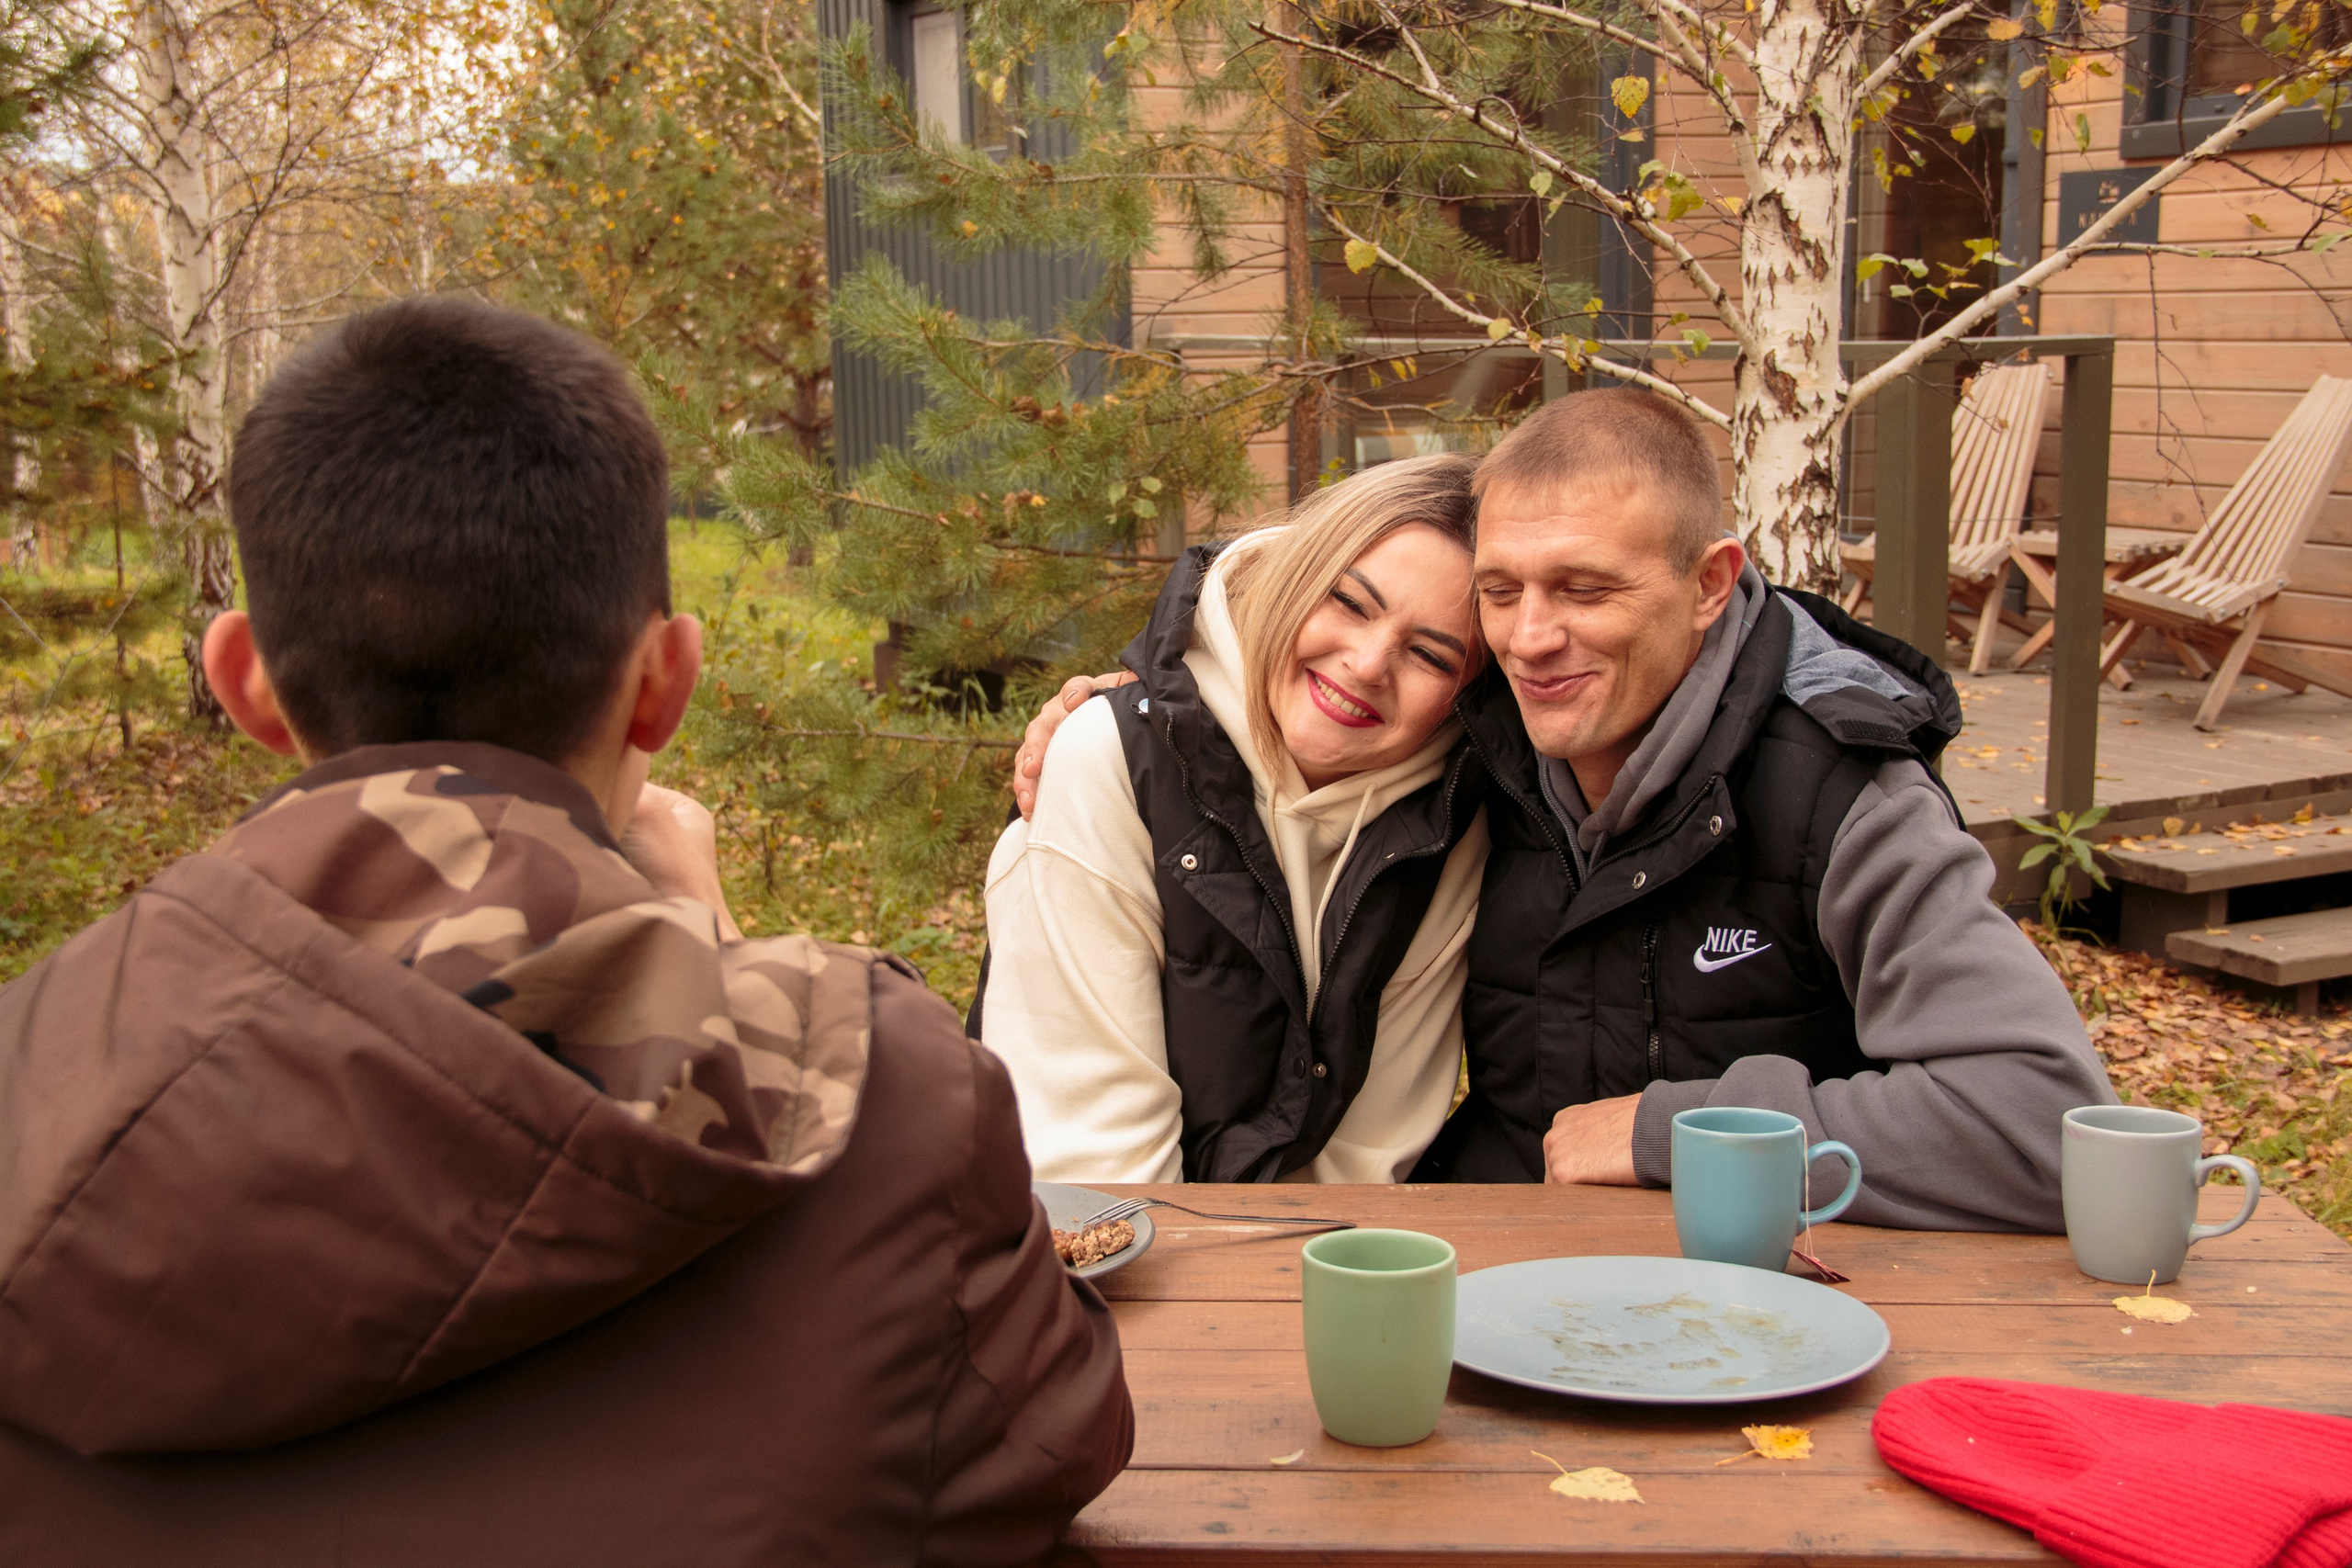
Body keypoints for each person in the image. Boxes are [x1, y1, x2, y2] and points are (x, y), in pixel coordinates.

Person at [0, 298, 1131, 1566]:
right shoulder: (895, 1100)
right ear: (666, 680)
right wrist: (711, 940)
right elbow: (1053, 1443)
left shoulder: (36, 1061)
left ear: (244, 681)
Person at [1014, 389, 2115, 1232]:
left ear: (1707, 582)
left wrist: (1676, 1132)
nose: (1532, 638)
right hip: (1489, 1274)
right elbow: (1282, 695)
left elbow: (2046, 1122)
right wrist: (1115, 725)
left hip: (1765, 1294)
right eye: (1502, 593)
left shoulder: (1839, 795)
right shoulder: (1473, 745)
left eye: (1584, 589)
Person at [976, 453, 1490, 1184]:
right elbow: (1094, 1169)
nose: (1370, 662)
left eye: (1431, 655)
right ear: (1293, 575)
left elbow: (1369, 1166)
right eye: (1349, 602)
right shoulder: (1112, 762)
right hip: (1100, 1259)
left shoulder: (1444, 832)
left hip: (1304, 1272)